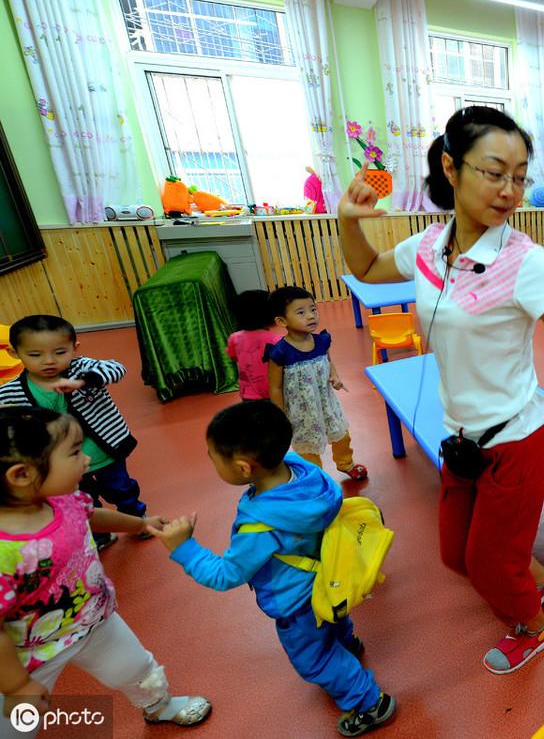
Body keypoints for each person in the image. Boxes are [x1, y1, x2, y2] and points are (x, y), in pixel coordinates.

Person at [335, 106, 544, 674]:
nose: (510, 190)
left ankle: (534, 625)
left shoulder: (524, 262)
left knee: (486, 565)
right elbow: (370, 267)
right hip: (459, 435)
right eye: (494, 171)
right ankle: (541, 576)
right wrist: (348, 221)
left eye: (520, 175)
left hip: (516, 439)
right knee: (456, 558)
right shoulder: (430, 245)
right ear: (451, 169)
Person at [149, 402, 394, 736]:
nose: (210, 461)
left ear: (244, 468)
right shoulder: (304, 472)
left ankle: (369, 703)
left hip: (296, 602)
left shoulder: (259, 531)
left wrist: (183, 548)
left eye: (212, 456)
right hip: (330, 577)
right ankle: (346, 643)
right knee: (330, 623)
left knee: (315, 660)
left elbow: (225, 575)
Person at [0, 407, 209, 730]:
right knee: (16, 720)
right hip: (29, 652)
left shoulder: (65, 499)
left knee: (136, 668)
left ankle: (159, 706)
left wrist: (140, 523)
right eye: (73, 452)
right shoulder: (4, 548)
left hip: (95, 619)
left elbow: (92, 515)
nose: (86, 460)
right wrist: (15, 686)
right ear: (22, 475)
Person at [0, 315, 146, 552]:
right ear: (14, 353)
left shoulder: (82, 368)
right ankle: (99, 534)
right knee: (83, 499)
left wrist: (83, 382)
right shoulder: (11, 391)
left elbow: (115, 368)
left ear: (74, 348)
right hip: (62, 462)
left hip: (104, 450)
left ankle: (136, 518)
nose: (49, 361)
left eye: (59, 352)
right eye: (35, 355)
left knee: (121, 487)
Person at [265, 287, 368, 481]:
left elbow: (328, 361)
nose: (311, 316)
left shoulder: (321, 341)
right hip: (301, 411)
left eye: (313, 309)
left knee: (341, 434)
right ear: (282, 321)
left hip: (327, 402)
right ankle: (315, 479)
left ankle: (346, 463)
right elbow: (275, 387)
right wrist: (280, 416)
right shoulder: (279, 352)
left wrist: (335, 377)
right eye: (301, 312)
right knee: (308, 447)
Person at [226, 289, 282, 401]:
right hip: (272, 391)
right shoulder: (276, 340)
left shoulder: (234, 338)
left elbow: (233, 357)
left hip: (247, 393)